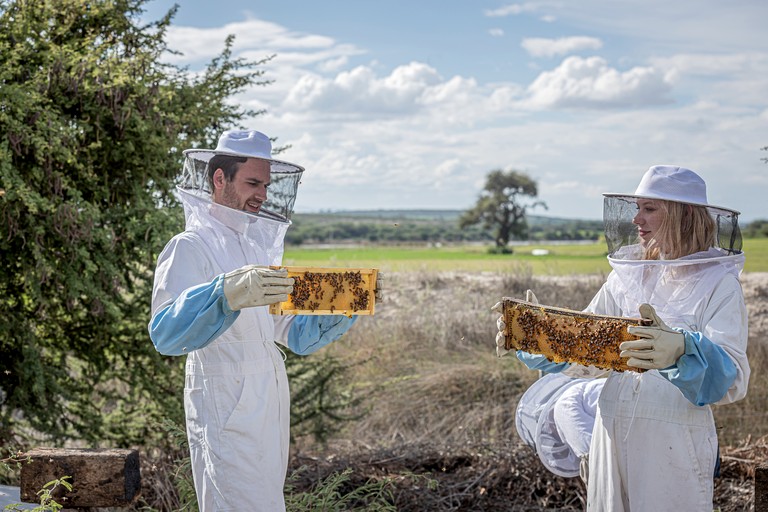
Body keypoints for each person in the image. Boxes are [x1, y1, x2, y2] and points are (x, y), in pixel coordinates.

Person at [495, 165, 749, 511]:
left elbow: (732, 379)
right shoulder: (627, 277)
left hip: (673, 437)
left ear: (685, 214)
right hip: (610, 426)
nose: (636, 219)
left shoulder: (719, 284)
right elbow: (588, 347)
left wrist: (682, 350)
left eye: (649, 208)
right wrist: (540, 338)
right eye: (636, 207)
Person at [148, 130, 361, 511]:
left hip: (268, 396)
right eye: (252, 183)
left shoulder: (256, 247)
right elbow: (165, 333)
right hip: (224, 396)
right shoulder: (189, 246)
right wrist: (224, 293)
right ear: (220, 179)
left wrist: (341, 307)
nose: (262, 194)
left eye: (265, 185)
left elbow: (288, 332)